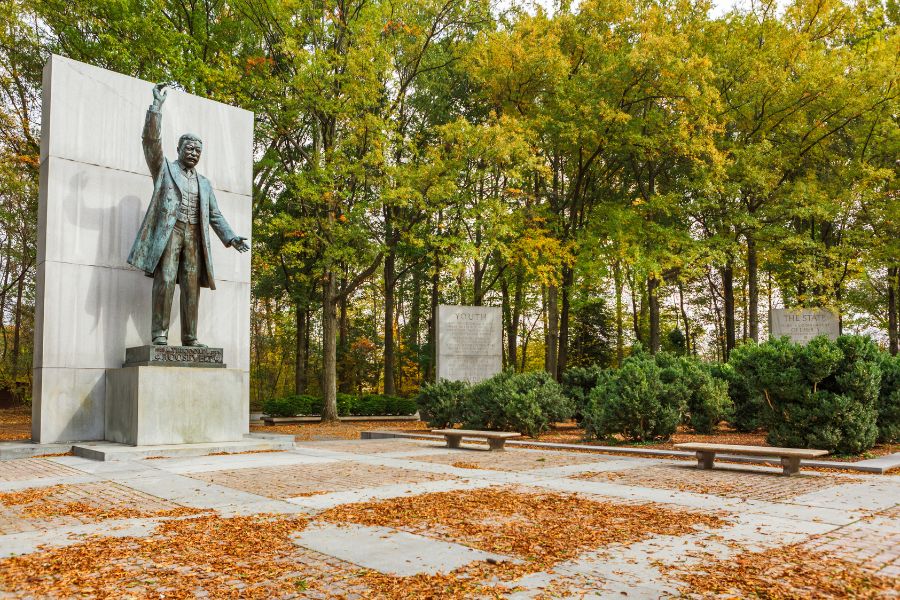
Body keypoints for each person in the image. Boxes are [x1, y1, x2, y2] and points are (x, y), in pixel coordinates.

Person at [127, 83, 249, 347]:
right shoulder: (164, 169)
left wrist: (231, 238)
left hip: (194, 235)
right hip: (170, 232)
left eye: (198, 150)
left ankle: (190, 337)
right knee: (167, 279)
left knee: (191, 286)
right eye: (190, 148)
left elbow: (215, 215)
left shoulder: (204, 183)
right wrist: (156, 109)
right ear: (180, 149)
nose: (194, 153)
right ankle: (159, 334)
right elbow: (150, 143)